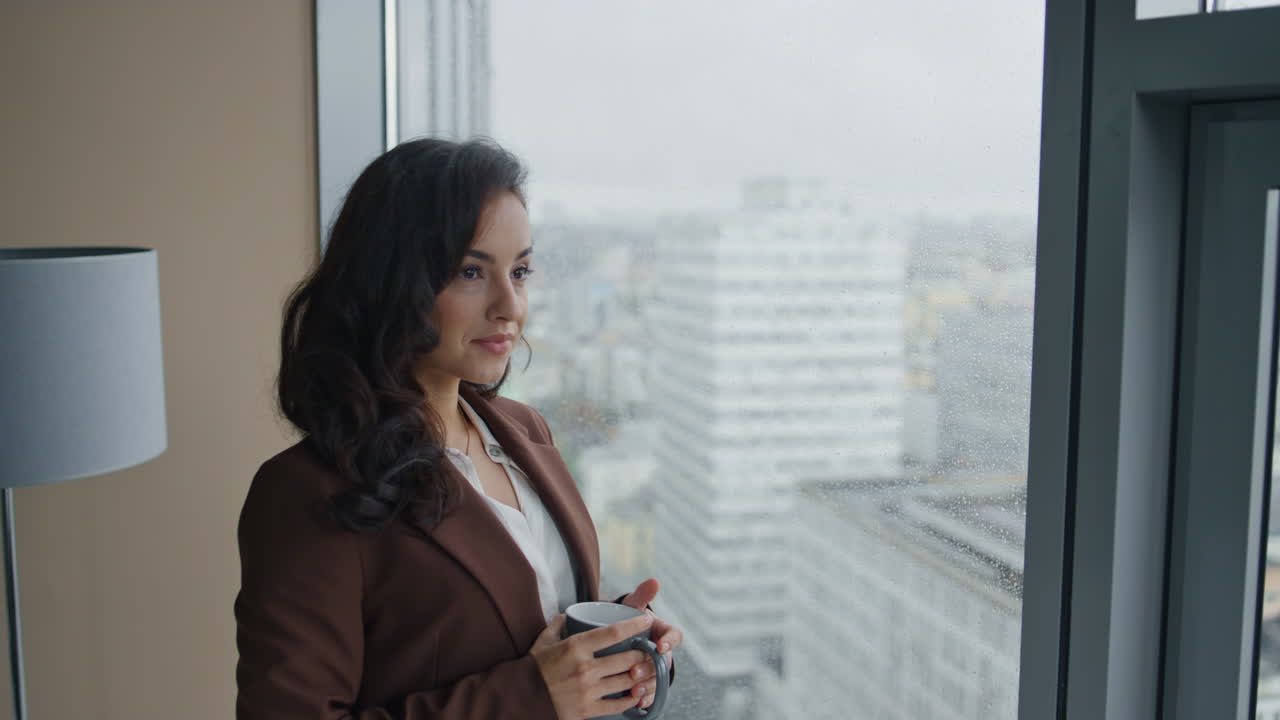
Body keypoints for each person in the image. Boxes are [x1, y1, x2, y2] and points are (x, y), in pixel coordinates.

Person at [234, 137, 683, 719]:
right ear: (389, 279)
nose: (510, 306)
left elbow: (513, 621)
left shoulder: (524, 430)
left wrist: (617, 642)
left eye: (520, 271)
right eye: (471, 272)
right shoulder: (305, 493)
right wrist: (530, 696)